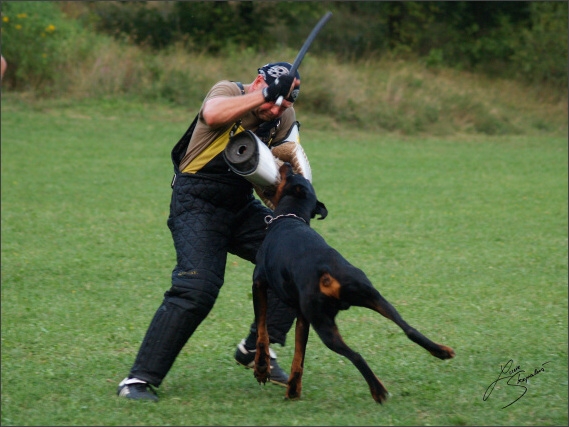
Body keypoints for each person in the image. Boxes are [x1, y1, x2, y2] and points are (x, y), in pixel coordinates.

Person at [117, 62, 312, 401]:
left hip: (240, 204)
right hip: (196, 202)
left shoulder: (283, 116)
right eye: (270, 101)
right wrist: (264, 96)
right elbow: (213, 113)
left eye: (282, 105)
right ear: (257, 83)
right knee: (197, 288)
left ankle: (256, 348)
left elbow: (278, 164)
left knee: (299, 260)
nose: (273, 111)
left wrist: (293, 197)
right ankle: (138, 380)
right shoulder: (228, 91)